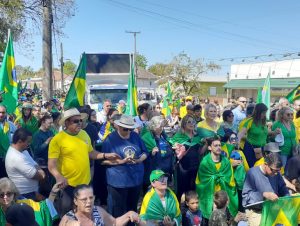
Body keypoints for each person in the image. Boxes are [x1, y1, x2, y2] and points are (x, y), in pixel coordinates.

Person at [48, 108, 120, 216]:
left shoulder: (84, 134)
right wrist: (59, 177)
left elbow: (91, 152)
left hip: (85, 184)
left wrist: (105, 155)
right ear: (66, 123)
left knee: (85, 214)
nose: (79, 123)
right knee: (68, 215)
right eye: (76, 121)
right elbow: (51, 165)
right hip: (68, 185)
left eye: (80, 120)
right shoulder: (57, 139)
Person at [101, 115, 148, 222]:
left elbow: (145, 152)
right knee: (118, 211)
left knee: (132, 208)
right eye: (125, 129)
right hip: (118, 182)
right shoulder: (110, 139)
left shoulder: (135, 136)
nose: (128, 131)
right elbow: (103, 161)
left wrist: (139, 160)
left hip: (135, 179)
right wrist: (122, 161)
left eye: (130, 129)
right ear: (118, 126)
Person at [195, 136, 238, 221]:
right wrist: (215, 178)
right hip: (211, 198)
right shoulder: (205, 163)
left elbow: (230, 180)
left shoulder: (226, 161)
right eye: (216, 145)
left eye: (219, 145)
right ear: (209, 147)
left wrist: (220, 179)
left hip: (223, 197)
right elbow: (201, 182)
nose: (219, 147)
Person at [242, 153, 289, 226]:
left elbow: (283, 188)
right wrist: (263, 195)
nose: (276, 173)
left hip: (274, 210)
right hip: (257, 212)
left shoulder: (276, 174)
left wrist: (287, 197)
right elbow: (246, 197)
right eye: (274, 170)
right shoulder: (252, 173)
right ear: (265, 164)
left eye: (278, 170)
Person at [59, 184, 142, 226]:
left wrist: (129, 214)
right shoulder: (68, 218)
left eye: (91, 198)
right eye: (84, 199)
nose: (89, 202)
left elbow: (115, 223)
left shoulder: (98, 211)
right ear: (76, 201)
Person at [169, 115, 203, 201]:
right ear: (183, 124)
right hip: (182, 167)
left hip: (195, 166)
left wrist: (206, 144)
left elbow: (200, 152)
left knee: (192, 188)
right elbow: (172, 148)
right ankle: (179, 210)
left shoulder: (197, 137)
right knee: (181, 189)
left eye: (193, 122)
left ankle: (190, 209)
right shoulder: (178, 136)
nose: (191, 124)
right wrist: (176, 147)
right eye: (189, 122)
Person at [5, 128, 46, 200]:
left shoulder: (23, 151)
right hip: (25, 194)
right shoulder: (16, 157)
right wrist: (42, 173)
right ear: (20, 141)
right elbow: (38, 176)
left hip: (31, 192)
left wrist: (39, 170)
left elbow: (35, 164)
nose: (29, 144)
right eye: (28, 142)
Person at [238, 103, 280, 168]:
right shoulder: (250, 121)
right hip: (251, 149)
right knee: (252, 168)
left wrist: (274, 132)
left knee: (260, 168)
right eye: (263, 113)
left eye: (265, 113)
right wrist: (237, 143)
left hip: (262, 149)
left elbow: (265, 133)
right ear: (257, 112)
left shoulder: (263, 122)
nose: (264, 115)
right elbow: (241, 133)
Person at [141, 116, 174, 191]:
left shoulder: (164, 137)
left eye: (162, 126)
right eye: (160, 126)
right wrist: (151, 153)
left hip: (166, 171)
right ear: (153, 126)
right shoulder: (146, 138)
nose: (162, 128)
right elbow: (142, 156)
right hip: (154, 173)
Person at [0, 105, 16, 178]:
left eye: (3, 112)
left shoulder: (11, 125)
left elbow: (16, 139)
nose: (1, 114)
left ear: (6, 113)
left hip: (9, 157)